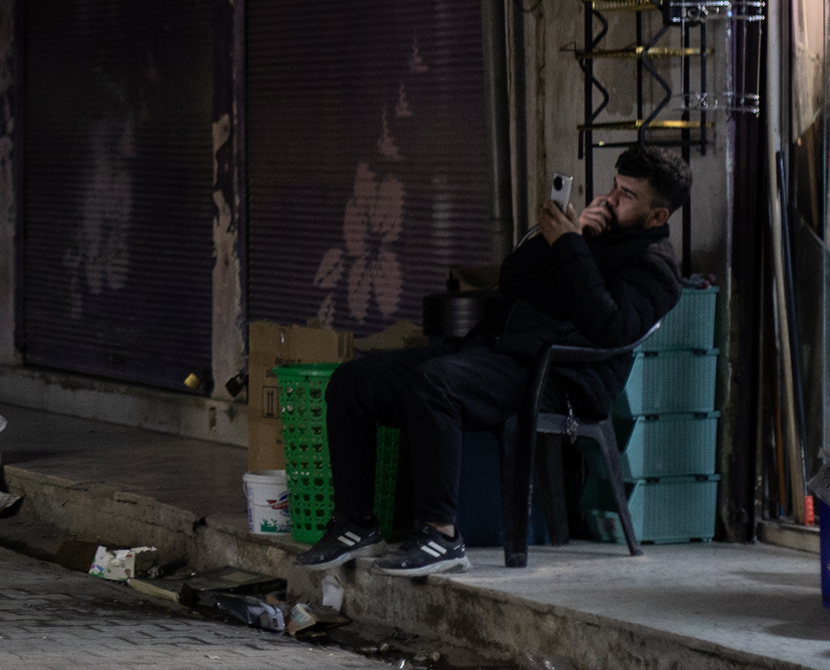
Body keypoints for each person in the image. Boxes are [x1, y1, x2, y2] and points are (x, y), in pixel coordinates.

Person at [292, 145, 689, 579]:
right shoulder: (590, 236)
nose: (610, 199)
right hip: (502, 353)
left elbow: (608, 327)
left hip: (559, 377)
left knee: (436, 383)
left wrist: (572, 247)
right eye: (613, 187)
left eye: (627, 195)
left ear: (657, 217)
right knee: (353, 382)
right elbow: (512, 280)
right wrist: (557, 238)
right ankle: (356, 525)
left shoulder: (656, 269)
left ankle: (440, 536)